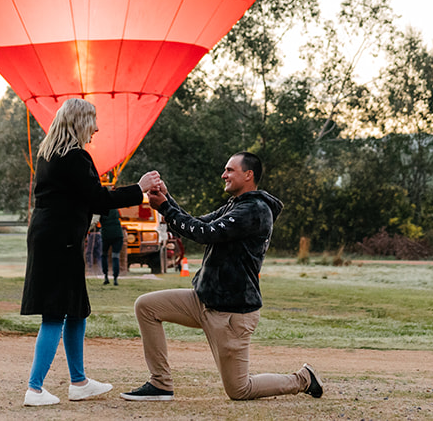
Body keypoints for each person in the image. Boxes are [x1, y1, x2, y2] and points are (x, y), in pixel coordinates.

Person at [121, 152, 322, 402]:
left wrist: (164, 206)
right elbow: (196, 224)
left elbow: (204, 233)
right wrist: (167, 199)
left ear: (248, 175)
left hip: (231, 313)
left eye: (230, 170)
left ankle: (303, 379)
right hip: (203, 300)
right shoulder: (237, 204)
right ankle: (160, 384)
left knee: (239, 390)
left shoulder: (254, 210)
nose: (223, 174)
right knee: (147, 306)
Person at [20, 97, 159, 407]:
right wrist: (139, 188)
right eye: (92, 122)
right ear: (79, 122)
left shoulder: (47, 155)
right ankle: (35, 388)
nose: (96, 128)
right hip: (60, 242)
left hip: (51, 238)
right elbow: (98, 199)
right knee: (55, 313)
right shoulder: (74, 157)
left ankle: (79, 381)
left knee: (76, 308)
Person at [99, 210, 125, 285]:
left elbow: (95, 220)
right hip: (117, 234)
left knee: (104, 255)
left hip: (106, 234)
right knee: (115, 256)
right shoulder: (115, 209)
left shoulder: (101, 209)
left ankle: (106, 276)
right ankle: (115, 279)